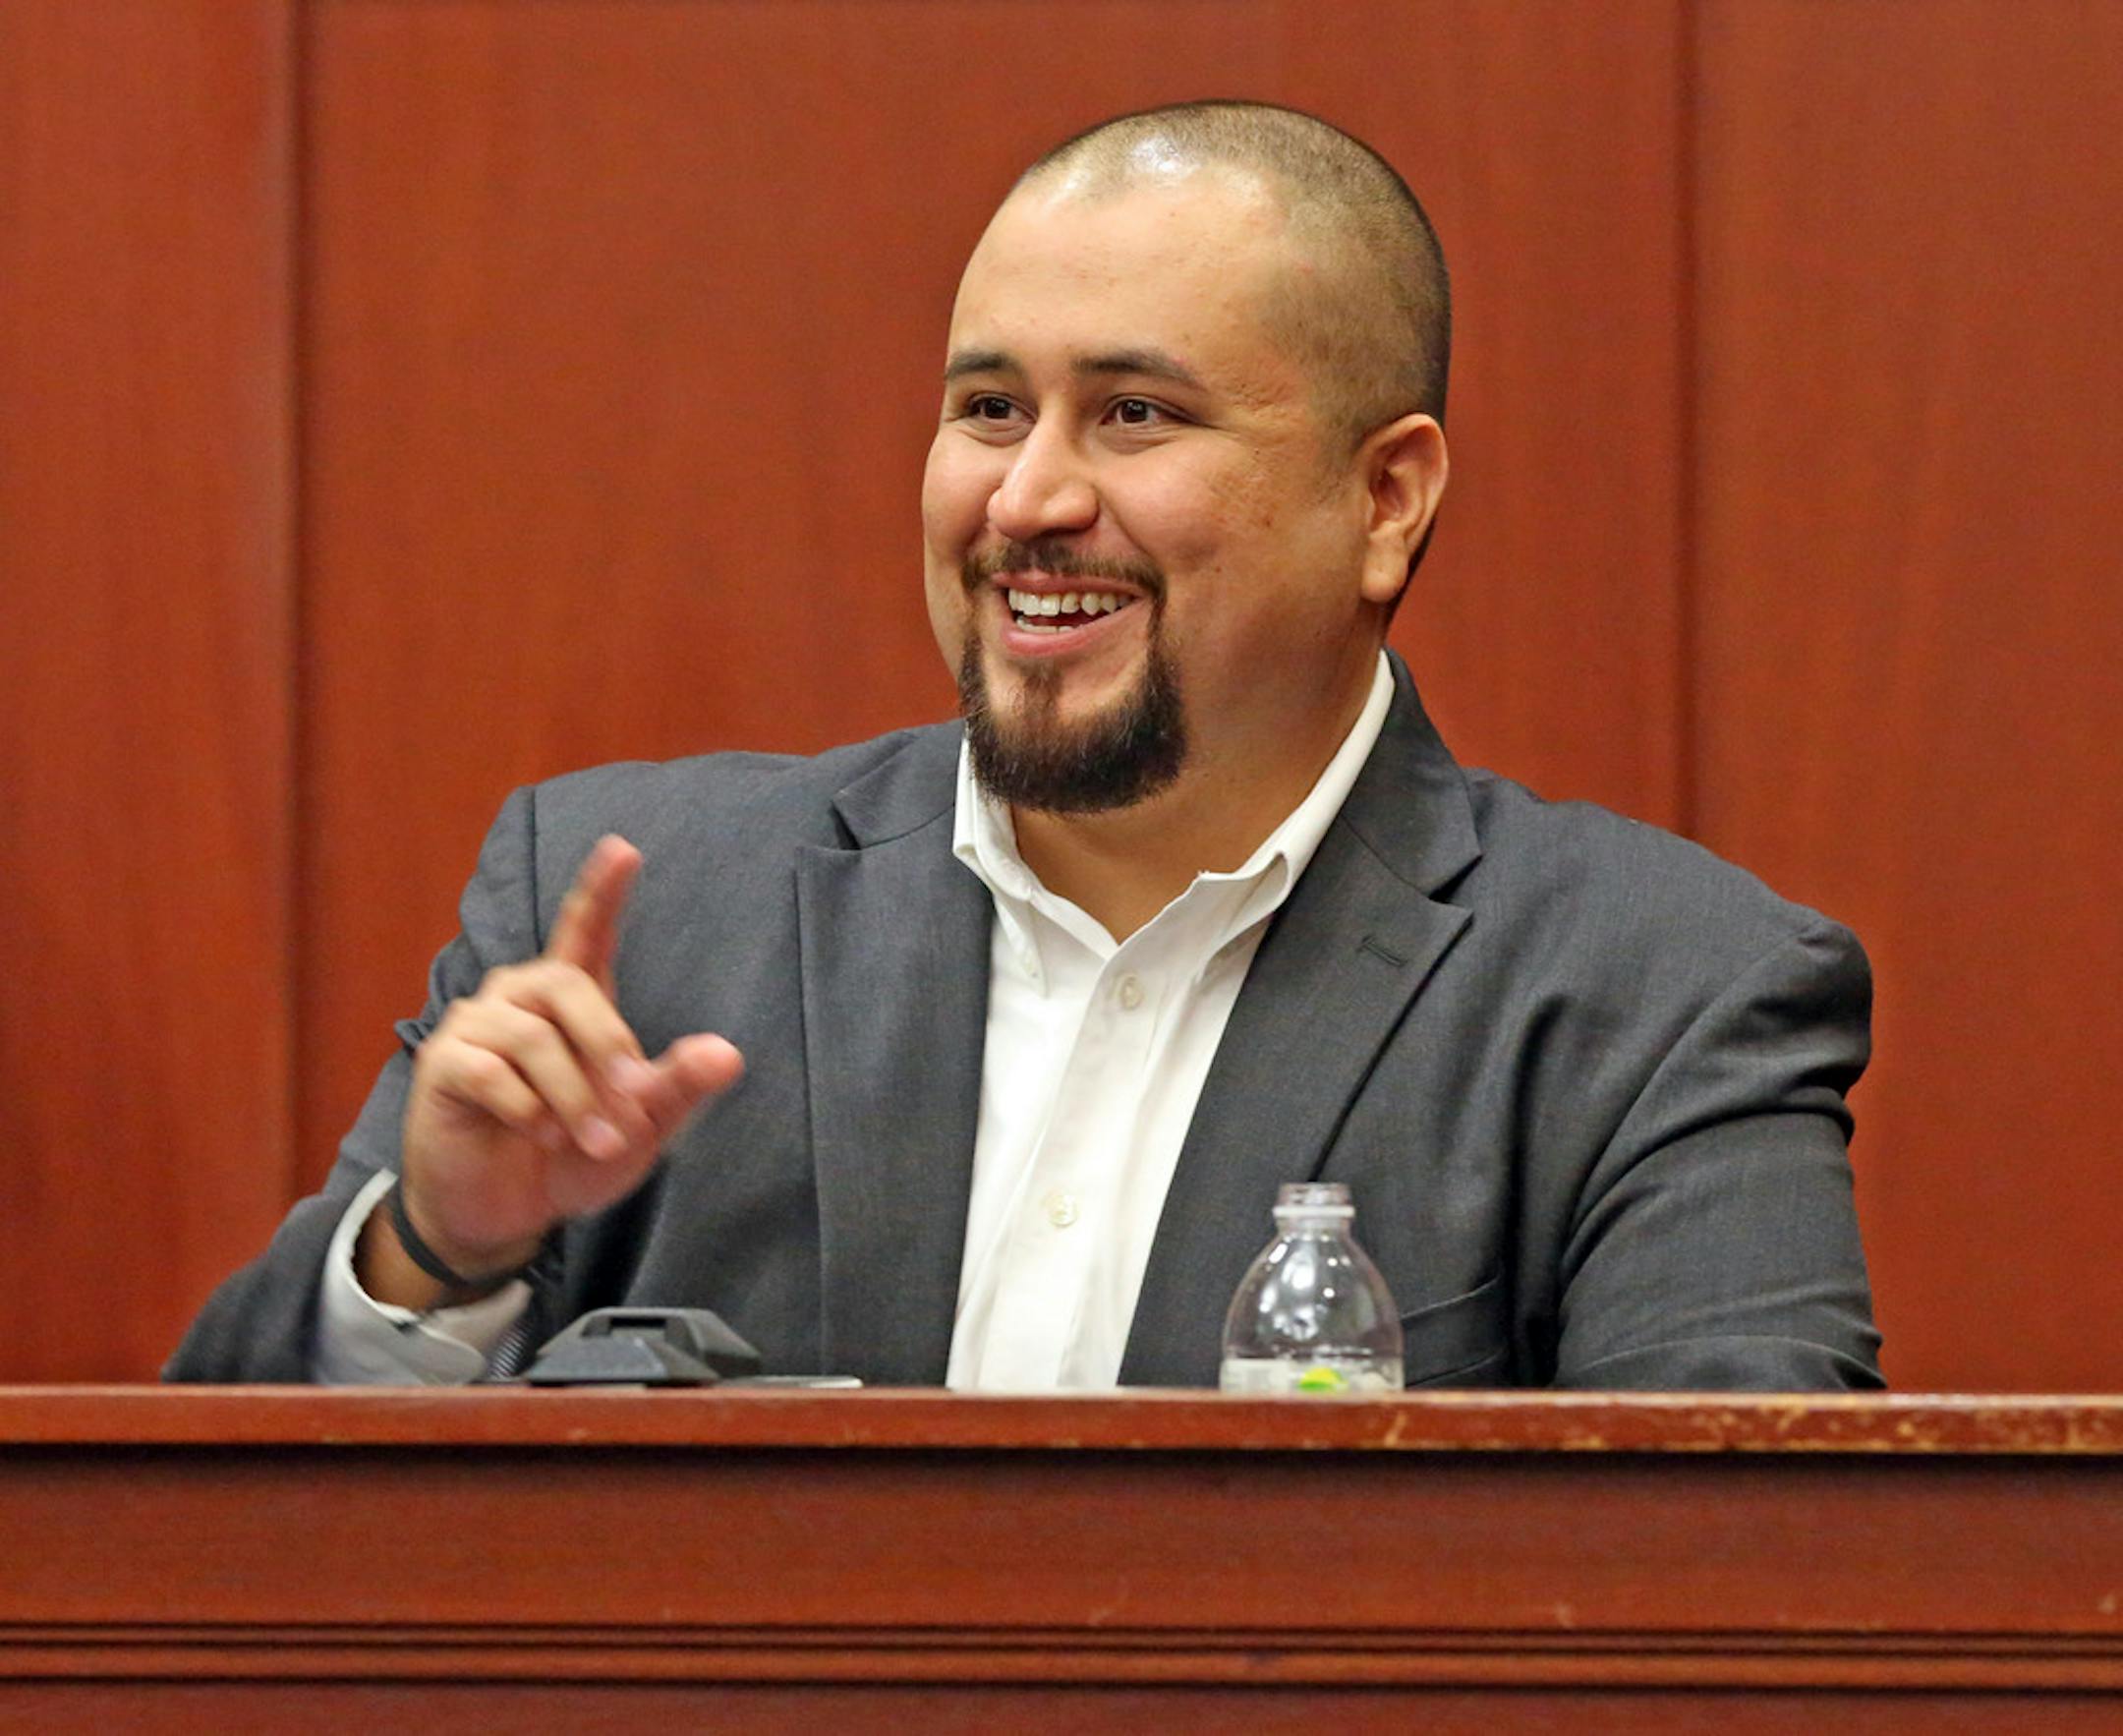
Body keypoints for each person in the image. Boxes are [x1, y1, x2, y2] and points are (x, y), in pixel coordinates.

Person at [168, 101, 1880, 1390]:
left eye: (1134, 414)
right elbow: (205, 1571)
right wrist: (440, 1256)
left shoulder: (1663, 1002)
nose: (1026, 498)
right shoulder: (637, 919)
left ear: (1385, 498)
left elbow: (1757, 1612)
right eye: (988, 408)